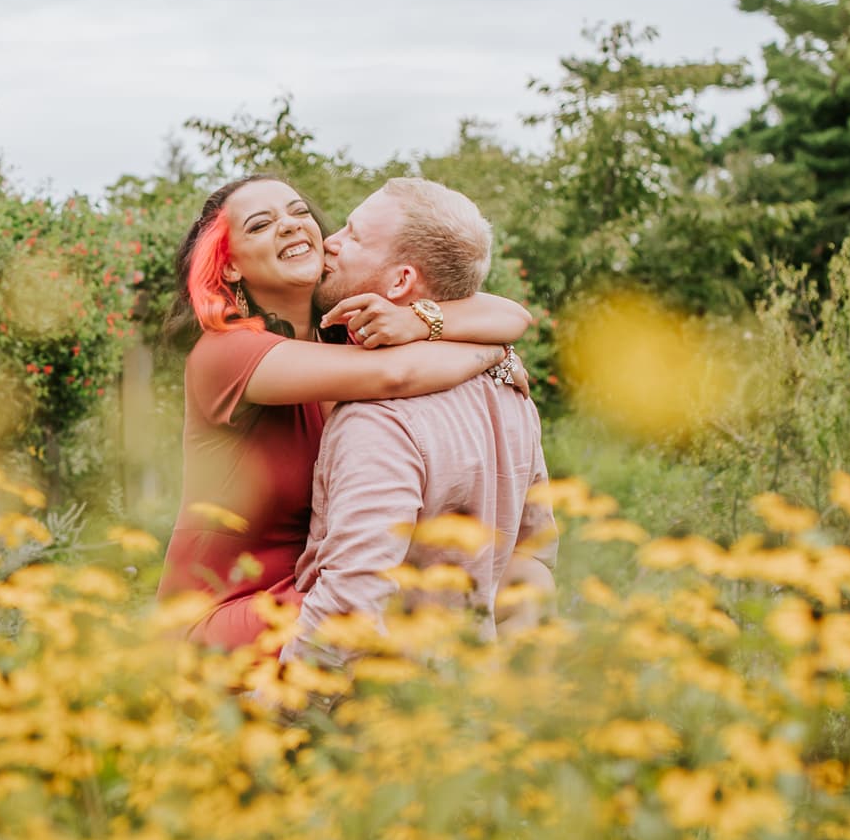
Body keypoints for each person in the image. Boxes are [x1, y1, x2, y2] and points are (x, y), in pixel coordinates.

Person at [157, 174, 532, 649]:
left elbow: (511, 315)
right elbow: (398, 375)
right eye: (261, 224)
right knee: (399, 614)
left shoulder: (342, 337)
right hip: (226, 612)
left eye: (297, 212)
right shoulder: (225, 355)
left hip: (314, 595)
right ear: (230, 267)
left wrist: (419, 318)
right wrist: (496, 355)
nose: (291, 226)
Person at [279, 178, 556, 669]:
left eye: (355, 236)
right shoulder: (512, 392)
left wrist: (271, 713)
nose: (331, 241)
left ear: (401, 282)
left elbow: (349, 604)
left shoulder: (379, 419)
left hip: (376, 714)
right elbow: (532, 560)